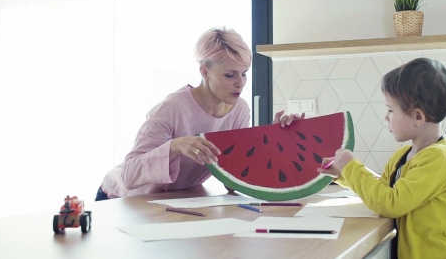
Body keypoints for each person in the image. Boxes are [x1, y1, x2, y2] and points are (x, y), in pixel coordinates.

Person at [96, 27, 303, 200]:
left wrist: (275, 139)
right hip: (120, 199)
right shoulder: (171, 109)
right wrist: (176, 145)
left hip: (172, 201)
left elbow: (232, 181)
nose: (240, 83)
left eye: (244, 74)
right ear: (205, 72)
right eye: (230, 75)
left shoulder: (240, 110)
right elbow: (128, 174)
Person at [319, 58, 446, 259]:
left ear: (418, 117)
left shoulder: (440, 158)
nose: (386, 117)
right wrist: (343, 174)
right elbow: (384, 190)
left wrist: (351, 168)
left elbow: (391, 204)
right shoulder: (404, 156)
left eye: (390, 110)